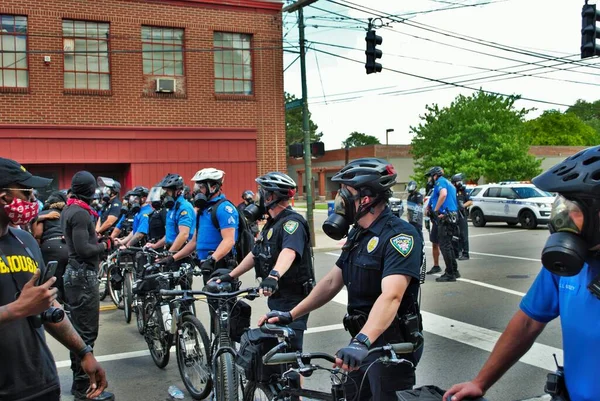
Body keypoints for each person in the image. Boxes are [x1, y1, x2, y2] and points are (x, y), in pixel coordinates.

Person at [444, 145, 600, 401]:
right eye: (563, 205)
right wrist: (480, 382)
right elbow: (528, 322)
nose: (565, 216)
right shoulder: (569, 265)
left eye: (576, 208)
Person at [260, 158, 424, 401]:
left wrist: (361, 342)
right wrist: (291, 314)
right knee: (350, 394)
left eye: (346, 193)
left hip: (390, 345)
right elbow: (332, 281)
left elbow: (392, 296)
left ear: (365, 199)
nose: (339, 199)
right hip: (364, 341)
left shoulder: (400, 236)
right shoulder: (358, 232)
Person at [0, 158, 108, 401]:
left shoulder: (25, 241)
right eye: (26, 191)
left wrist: (84, 352)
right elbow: (25, 306)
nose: (32, 199)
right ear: (4, 197)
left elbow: (47, 303)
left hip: (42, 383)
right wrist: (17, 309)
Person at [220, 172, 314, 351]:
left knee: (290, 355)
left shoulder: (292, 223)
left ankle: (294, 378)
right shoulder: (272, 224)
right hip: (278, 297)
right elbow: (255, 254)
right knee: (274, 353)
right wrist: (231, 275)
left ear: (271, 197)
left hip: (294, 299)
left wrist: (274, 276)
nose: (258, 198)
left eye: (261, 193)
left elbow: (289, 252)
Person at [61, 171, 114, 401]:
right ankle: (84, 387)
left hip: (74, 274)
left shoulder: (69, 209)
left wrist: (97, 242)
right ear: (90, 190)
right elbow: (84, 250)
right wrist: (105, 246)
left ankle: (79, 382)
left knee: (78, 330)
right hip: (83, 276)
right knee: (86, 333)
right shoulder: (81, 214)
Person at [165, 168, 237, 283]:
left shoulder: (224, 208)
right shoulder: (203, 210)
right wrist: (172, 258)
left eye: (201, 187)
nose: (197, 192)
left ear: (213, 187)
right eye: (196, 188)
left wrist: (212, 259)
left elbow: (229, 240)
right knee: (211, 300)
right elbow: (194, 242)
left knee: (223, 301)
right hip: (207, 266)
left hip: (221, 266)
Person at [31, 191, 69, 302]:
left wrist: (41, 218)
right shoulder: (67, 213)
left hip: (51, 248)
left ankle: (57, 310)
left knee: (52, 282)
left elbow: (37, 234)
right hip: (68, 248)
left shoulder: (45, 213)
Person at [426, 166, 460, 282]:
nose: (430, 179)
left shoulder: (440, 182)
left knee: (445, 246)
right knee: (448, 245)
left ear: (435, 175)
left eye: (431, 176)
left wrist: (436, 210)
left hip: (445, 216)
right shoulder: (449, 183)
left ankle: (450, 273)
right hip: (452, 215)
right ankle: (454, 270)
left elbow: (443, 194)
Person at [146, 173, 195, 253]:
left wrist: (169, 255)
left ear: (178, 191)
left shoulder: (184, 207)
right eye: (163, 191)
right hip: (173, 249)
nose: (164, 195)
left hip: (182, 251)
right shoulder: (172, 208)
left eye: (167, 191)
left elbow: (184, 234)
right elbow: (170, 235)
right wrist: (154, 246)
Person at [451, 173, 472, 261]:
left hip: (462, 215)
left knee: (463, 234)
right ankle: (456, 252)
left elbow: (470, 201)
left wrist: (462, 206)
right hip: (454, 215)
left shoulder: (463, 191)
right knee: (455, 235)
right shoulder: (451, 191)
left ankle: (465, 253)